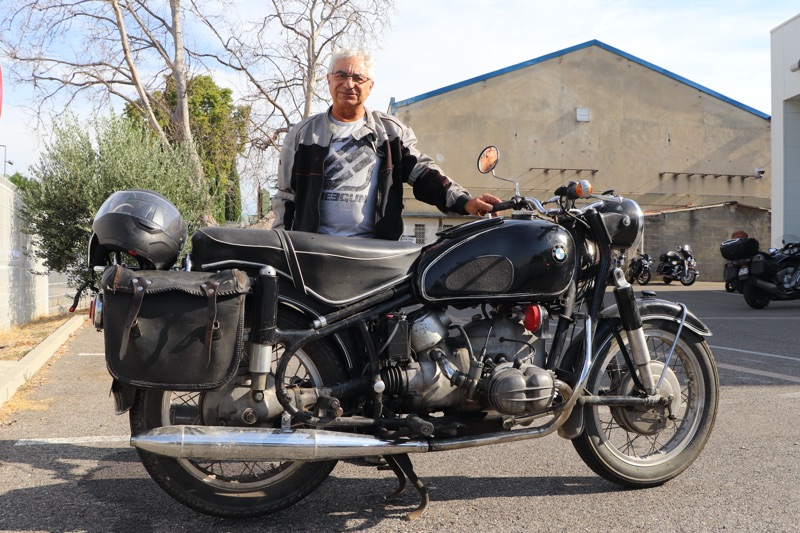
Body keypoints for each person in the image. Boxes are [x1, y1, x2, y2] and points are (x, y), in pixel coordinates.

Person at [272, 47, 500, 239]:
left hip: (375, 256)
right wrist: (280, 250)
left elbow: (423, 174)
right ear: (329, 80)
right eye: (341, 75)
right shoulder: (303, 135)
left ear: (370, 86)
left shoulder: (390, 132)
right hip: (315, 255)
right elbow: (286, 199)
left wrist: (465, 201)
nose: (348, 84)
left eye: (358, 78)